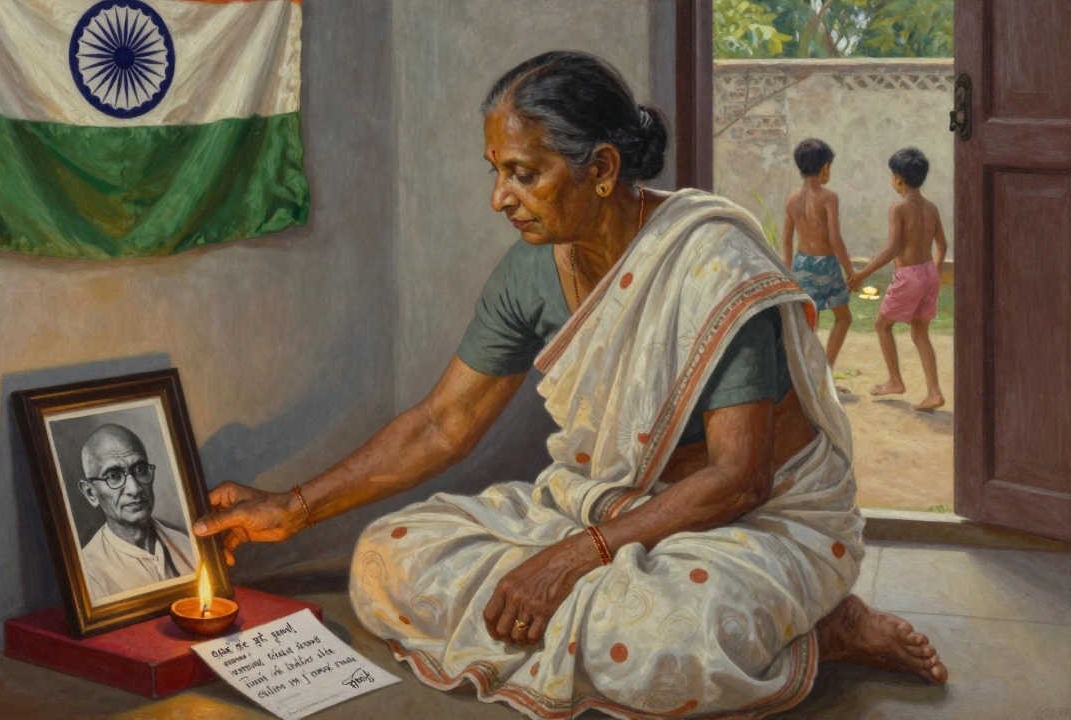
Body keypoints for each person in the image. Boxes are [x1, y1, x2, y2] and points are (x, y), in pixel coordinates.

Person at [193, 52, 946, 718]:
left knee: (661, 647)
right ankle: (600, 610)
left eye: (522, 173)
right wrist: (293, 508)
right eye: (496, 172)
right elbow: (441, 425)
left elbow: (741, 478)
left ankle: (827, 625)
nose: (499, 198)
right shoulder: (530, 269)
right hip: (607, 504)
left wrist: (569, 559)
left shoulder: (712, 264)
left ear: (605, 169)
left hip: (751, 524)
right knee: (386, 557)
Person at [847, 147, 947, 412]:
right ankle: (934, 392)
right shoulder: (932, 208)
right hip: (928, 273)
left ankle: (895, 379)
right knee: (920, 333)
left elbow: (892, 249)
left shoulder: (899, 208)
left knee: (881, 325)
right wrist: (933, 272)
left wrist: (861, 274)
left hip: (909, 276)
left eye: (892, 176)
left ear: (899, 179)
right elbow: (942, 246)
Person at [77, 424, 196, 601]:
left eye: (139, 470)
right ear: (90, 493)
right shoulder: (89, 573)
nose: (134, 489)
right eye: (113, 476)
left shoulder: (184, 543)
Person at [783, 139, 856, 369]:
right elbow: (835, 239)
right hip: (826, 264)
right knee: (843, 318)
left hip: (801, 263)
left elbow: (786, 237)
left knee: (810, 321)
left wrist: (788, 271)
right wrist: (850, 271)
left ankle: (808, 375)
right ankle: (826, 369)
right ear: (825, 168)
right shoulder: (828, 198)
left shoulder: (793, 198)